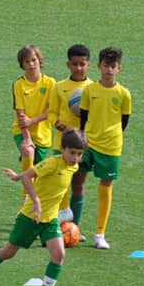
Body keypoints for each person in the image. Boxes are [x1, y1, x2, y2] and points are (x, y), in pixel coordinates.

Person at [0, 129, 88, 286]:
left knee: (59, 254)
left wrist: (17, 176)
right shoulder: (52, 164)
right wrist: (36, 200)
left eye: (79, 154)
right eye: (72, 153)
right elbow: (29, 176)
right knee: (9, 252)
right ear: (62, 149)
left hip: (50, 220)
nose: (75, 157)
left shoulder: (74, 167)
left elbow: (30, 178)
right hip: (30, 217)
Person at [70, 46, 133, 250]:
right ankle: (74, 228)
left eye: (113, 67)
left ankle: (100, 233)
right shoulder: (89, 90)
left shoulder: (124, 94)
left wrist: (111, 136)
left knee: (105, 186)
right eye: (106, 66)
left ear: (119, 68)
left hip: (111, 147)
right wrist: (82, 140)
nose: (109, 70)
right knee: (77, 182)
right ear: (99, 66)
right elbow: (84, 118)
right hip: (88, 144)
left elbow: (124, 121)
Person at [48, 44, 94, 225]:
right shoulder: (60, 87)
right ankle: (54, 223)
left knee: (78, 185)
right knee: (60, 186)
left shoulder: (93, 88)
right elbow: (52, 112)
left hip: (83, 146)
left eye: (82, 64)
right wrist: (56, 124)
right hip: (62, 144)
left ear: (89, 65)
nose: (79, 68)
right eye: (75, 64)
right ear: (68, 65)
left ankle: (74, 227)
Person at [11, 45, 56, 200]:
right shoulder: (19, 85)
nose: (31, 64)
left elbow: (52, 110)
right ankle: (25, 203)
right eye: (26, 62)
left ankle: (34, 205)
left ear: (39, 61)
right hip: (22, 131)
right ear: (22, 65)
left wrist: (33, 121)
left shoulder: (50, 83)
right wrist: (27, 139)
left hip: (43, 136)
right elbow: (20, 114)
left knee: (38, 175)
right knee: (28, 151)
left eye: (33, 60)